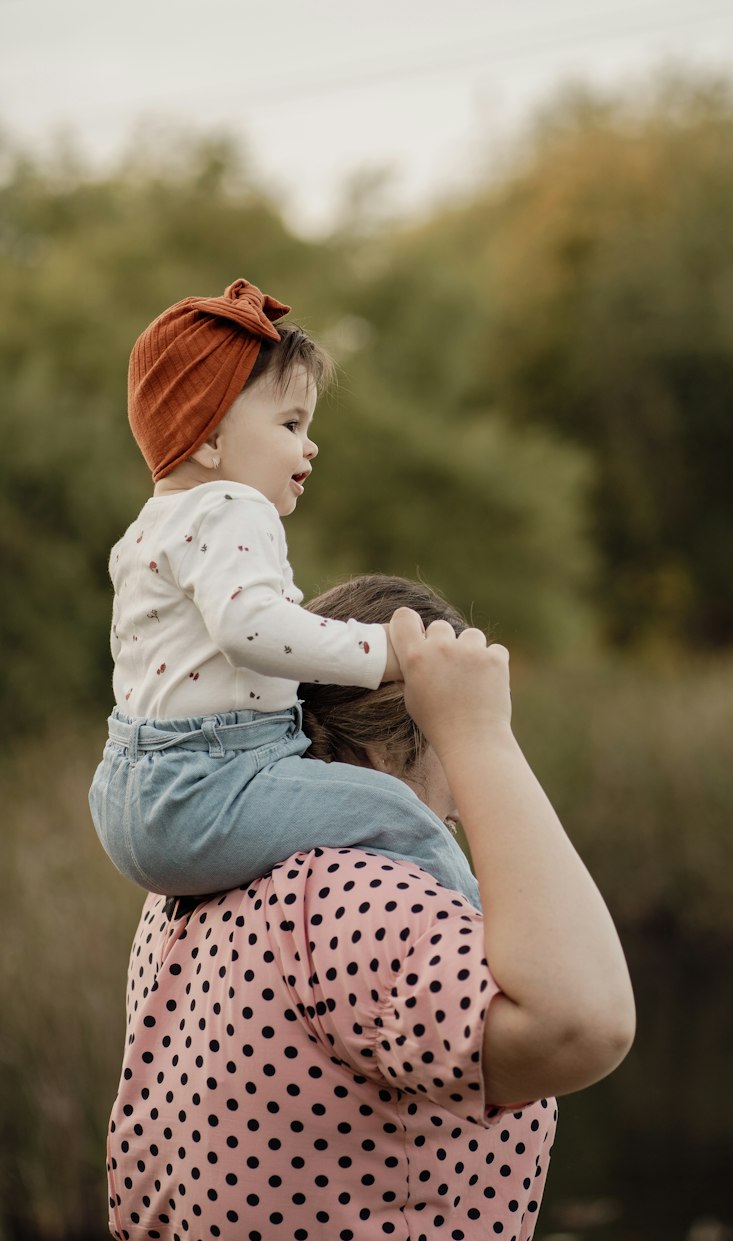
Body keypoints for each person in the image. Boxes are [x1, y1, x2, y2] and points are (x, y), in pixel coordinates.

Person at [105, 573, 636, 1241]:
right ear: (384, 755)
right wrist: (483, 736)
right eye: (447, 752)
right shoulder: (352, 894)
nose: (455, 807)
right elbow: (584, 1023)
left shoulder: (197, 888)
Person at [88, 278, 478, 909]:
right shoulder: (234, 505)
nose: (310, 444)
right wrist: (385, 652)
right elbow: (251, 629)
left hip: (129, 796)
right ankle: (483, 940)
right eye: (292, 423)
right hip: (212, 783)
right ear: (209, 439)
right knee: (400, 813)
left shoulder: (145, 532)